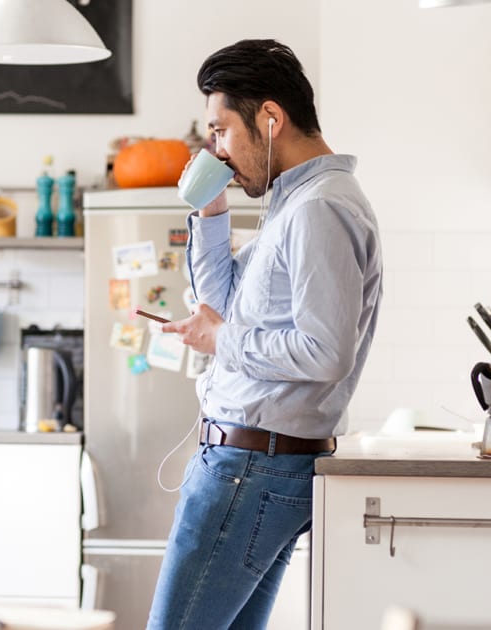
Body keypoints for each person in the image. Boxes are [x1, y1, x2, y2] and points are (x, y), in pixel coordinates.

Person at [148, 39, 383, 629]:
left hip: (249, 467)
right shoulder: (295, 205)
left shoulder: (318, 211)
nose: (217, 150)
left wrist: (220, 342)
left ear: (270, 119)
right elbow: (220, 302)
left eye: (221, 131)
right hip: (252, 464)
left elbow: (325, 351)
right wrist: (209, 208)